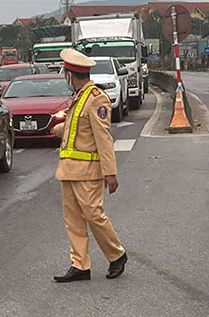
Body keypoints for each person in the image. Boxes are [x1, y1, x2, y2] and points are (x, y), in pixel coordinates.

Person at [51, 49, 127, 283]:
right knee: (72, 220)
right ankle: (80, 265)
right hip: (69, 170)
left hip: (88, 171)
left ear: (70, 75)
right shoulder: (79, 97)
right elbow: (77, 128)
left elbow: (103, 137)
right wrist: (58, 129)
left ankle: (117, 255)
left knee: (94, 215)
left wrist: (110, 172)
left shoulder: (97, 98)